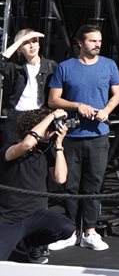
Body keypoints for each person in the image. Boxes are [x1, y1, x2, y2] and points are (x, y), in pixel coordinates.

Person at [47, 24, 119, 252]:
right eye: (92, 41)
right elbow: (53, 100)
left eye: (99, 41)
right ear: (80, 42)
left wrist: (106, 111)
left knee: (93, 185)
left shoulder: (109, 65)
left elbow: (117, 94)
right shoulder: (65, 67)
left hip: (98, 136)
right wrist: (78, 105)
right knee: (70, 185)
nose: (97, 44)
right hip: (72, 136)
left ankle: (90, 231)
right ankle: (71, 231)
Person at [0, 108, 75, 263]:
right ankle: (20, 243)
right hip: (10, 218)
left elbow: (60, 178)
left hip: (37, 215)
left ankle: (30, 244)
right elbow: (27, 143)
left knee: (67, 228)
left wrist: (59, 145)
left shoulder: (47, 151)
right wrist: (52, 116)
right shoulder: (10, 148)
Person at [1, 30, 56, 147]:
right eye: (26, 43)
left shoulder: (51, 66)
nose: (32, 45)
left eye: (34, 41)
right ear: (19, 49)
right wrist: (20, 40)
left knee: (40, 156)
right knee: (12, 155)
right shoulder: (15, 67)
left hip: (41, 116)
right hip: (16, 117)